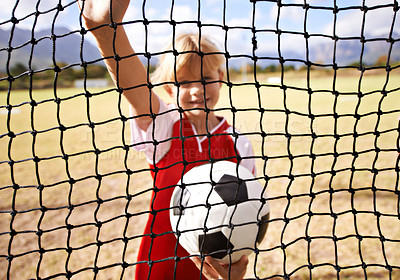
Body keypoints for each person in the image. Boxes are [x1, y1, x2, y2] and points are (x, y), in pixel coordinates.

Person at [79, 0, 255, 279]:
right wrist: (106, 31)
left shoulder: (238, 141)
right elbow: (134, 86)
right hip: (160, 264)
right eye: (184, 82)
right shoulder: (164, 125)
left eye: (206, 78)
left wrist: (235, 266)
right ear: (169, 90)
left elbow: (248, 210)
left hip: (214, 269)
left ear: (220, 77)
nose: (197, 90)